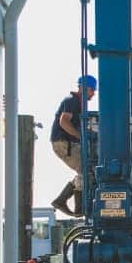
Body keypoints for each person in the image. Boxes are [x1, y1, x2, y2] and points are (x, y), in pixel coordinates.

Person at [49, 75, 96, 216]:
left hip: (67, 144)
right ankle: (78, 207)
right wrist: (80, 136)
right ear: (84, 88)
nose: (93, 94)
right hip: (64, 144)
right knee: (86, 170)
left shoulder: (79, 103)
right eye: (92, 90)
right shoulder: (72, 101)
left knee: (88, 170)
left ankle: (62, 200)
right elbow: (64, 121)